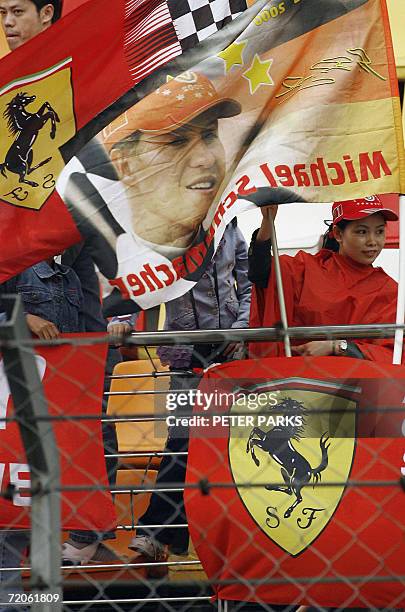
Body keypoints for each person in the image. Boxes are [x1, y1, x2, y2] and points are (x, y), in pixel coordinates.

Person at [0, 0, 120, 567]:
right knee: (27, 434)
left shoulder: (83, 81)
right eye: (0, 13)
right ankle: (31, 562)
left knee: (87, 418)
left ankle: (81, 533)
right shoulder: (6, 91)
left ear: (49, 15)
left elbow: (105, 192)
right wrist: (9, 316)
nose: (6, 23)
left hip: (79, 291)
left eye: (16, 10)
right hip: (26, 299)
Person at [108, 220, 252, 560]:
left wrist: (242, 330)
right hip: (184, 352)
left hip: (231, 352)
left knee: (224, 446)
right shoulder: (167, 229)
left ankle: (179, 538)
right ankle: (159, 535)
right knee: (184, 440)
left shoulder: (232, 228)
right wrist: (121, 320)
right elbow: (139, 279)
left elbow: (245, 285)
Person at [102, 70, 241, 289]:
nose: (205, 158)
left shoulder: (227, 228)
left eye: (209, 135)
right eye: (176, 142)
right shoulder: (101, 269)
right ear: (125, 165)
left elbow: (246, 284)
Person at [248, 195, 399, 362]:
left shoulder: (391, 290)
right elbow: (261, 274)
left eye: (379, 231)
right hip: (302, 380)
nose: (373, 241)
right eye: (362, 232)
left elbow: (393, 353)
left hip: (362, 383)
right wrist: (267, 222)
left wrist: (336, 346)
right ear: (338, 234)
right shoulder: (305, 268)